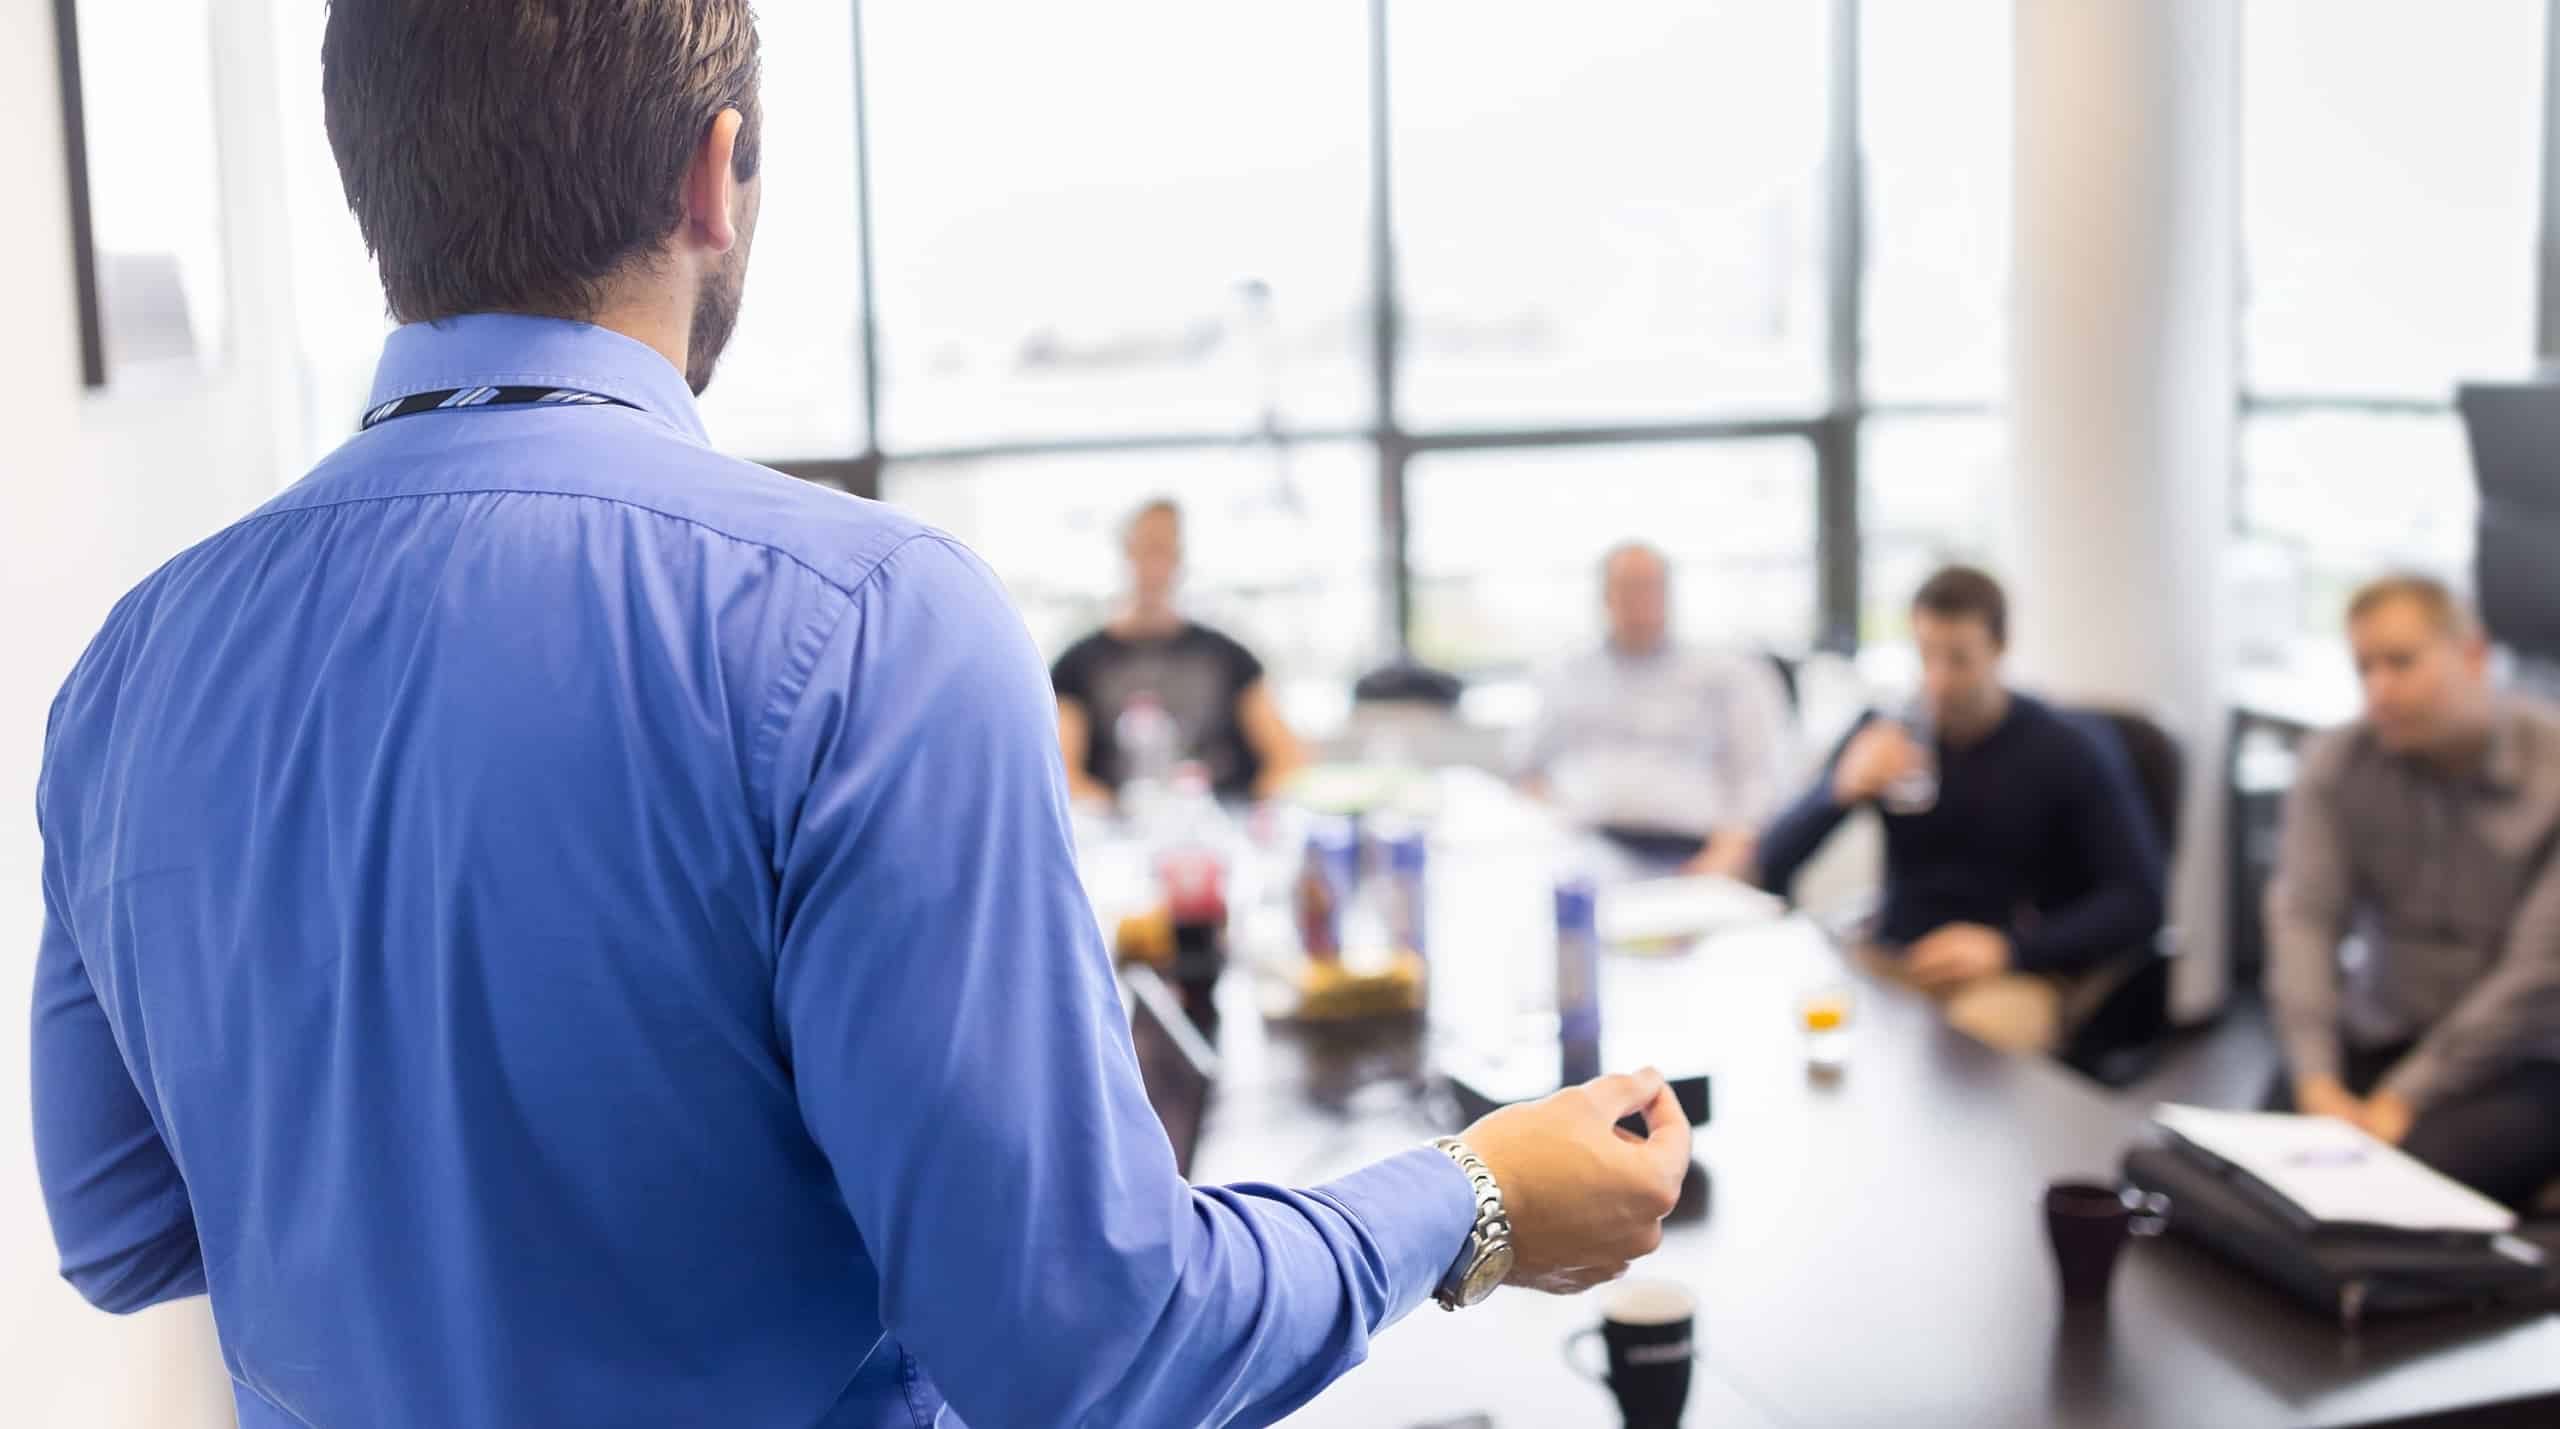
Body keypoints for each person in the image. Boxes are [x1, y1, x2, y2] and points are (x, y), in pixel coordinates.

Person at [28, 6, 1689, 1426]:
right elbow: (1088, 1349)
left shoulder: (130, 665)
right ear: (714, 175)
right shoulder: (859, 618)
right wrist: (1477, 1195)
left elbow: (119, 1220)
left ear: (376, 186)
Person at [1753, 566, 2166, 1054]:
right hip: (1896, 957)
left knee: (1968, 1061)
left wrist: (2009, 949)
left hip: (2011, 968)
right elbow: (1771, 862)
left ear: (1999, 646)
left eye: (1959, 660)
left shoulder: (2067, 750)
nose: (1938, 681)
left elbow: (2140, 901)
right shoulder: (1889, 729)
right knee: (1803, 1029)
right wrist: (1838, 791)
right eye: (1926, 656)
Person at [2263, 574, 2560, 1211]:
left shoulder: (2552, 771)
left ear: (2473, 654)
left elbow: (2538, 974)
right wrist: (2317, 1079)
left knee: (2397, 1193)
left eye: (2400, 662)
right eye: (2364, 668)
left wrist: (2406, 1097)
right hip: (2379, 1031)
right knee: (2260, 1167)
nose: (2379, 690)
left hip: (2516, 1059)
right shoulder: (2339, 763)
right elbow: (2305, 922)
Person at [1515, 542, 1793, 877]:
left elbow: (1760, 779)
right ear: (1605, 596)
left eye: (1649, 587)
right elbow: (1529, 771)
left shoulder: (1729, 672)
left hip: (1690, 853)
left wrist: (1727, 855)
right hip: (1583, 848)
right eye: (1627, 588)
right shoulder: (1566, 672)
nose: (1639, 600)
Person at [1052, 498, 1307, 804]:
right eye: (1146, 548)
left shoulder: (1230, 657)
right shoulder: (1077, 664)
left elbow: (1286, 757)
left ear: (1180, 558)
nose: (1155, 565)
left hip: (1218, 828)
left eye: (1165, 550)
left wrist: (1253, 816)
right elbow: (1064, 774)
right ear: (1126, 552)